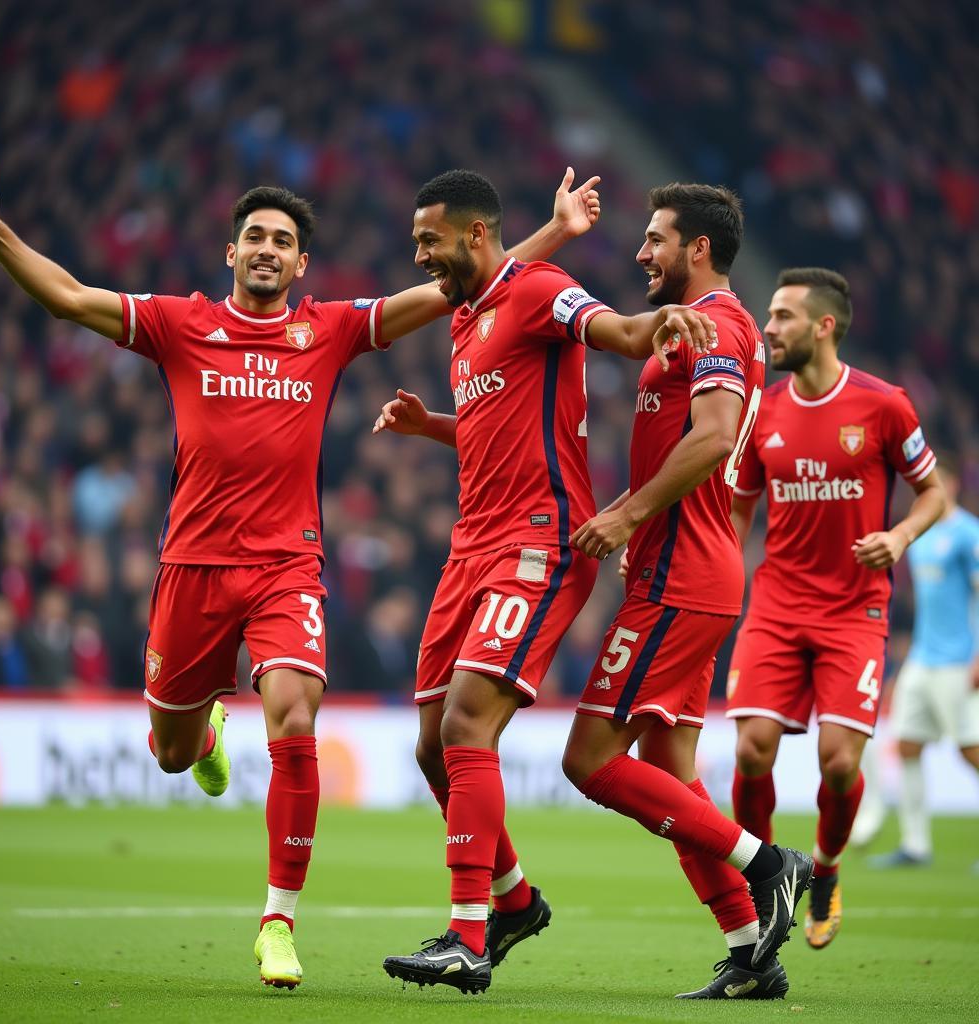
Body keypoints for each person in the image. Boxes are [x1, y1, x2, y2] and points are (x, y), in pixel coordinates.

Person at [0, 156, 603, 989]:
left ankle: (278, 922)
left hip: (287, 567)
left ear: (302, 266)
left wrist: (551, 231)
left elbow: (455, 284)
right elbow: (72, 297)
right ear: (231, 254)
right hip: (190, 568)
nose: (267, 249)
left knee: (296, 721)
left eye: (284, 242)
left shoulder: (327, 330)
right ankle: (205, 729)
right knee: (169, 750)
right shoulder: (178, 323)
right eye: (254, 237)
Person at [373, 170, 718, 996]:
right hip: (470, 549)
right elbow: (500, 425)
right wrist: (433, 428)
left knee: (465, 725)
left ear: (475, 234)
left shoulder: (541, 291)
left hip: (539, 544)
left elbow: (613, 329)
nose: (419, 254)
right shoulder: (465, 321)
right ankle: (514, 899)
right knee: (431, 747)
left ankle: (466, 937)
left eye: (429, 240)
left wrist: (652, 324)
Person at [562, 183, 810, 1002]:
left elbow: (711, 436)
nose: (642, 252)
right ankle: (750, 952)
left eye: (657, 239)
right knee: (671, 770)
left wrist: (630, 515)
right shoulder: (694, 327)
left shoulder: (724, 325)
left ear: (697, 249)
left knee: (589, 760)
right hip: (689, 569)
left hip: (681, 576)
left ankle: (769, 862)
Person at [726, 267, 945, 950]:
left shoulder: (885, 406)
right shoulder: (762, 408)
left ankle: (823, 869)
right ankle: (767, 877)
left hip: (855, 610)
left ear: (824, 326)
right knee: (752, 748)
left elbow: (933, 491)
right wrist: (722, 573)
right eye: (769, 315)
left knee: (840, 762)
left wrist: (900, 535)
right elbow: (739, 505)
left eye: (784, 316)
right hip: (777, 604)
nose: (769, 327)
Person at [866, 456, 979, 868]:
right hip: (923, 658)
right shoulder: (921, 537)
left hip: (959, 662)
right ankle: (915, 845)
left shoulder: (968, 534)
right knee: (908, 744)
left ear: (950, 483)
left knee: (971, 751)